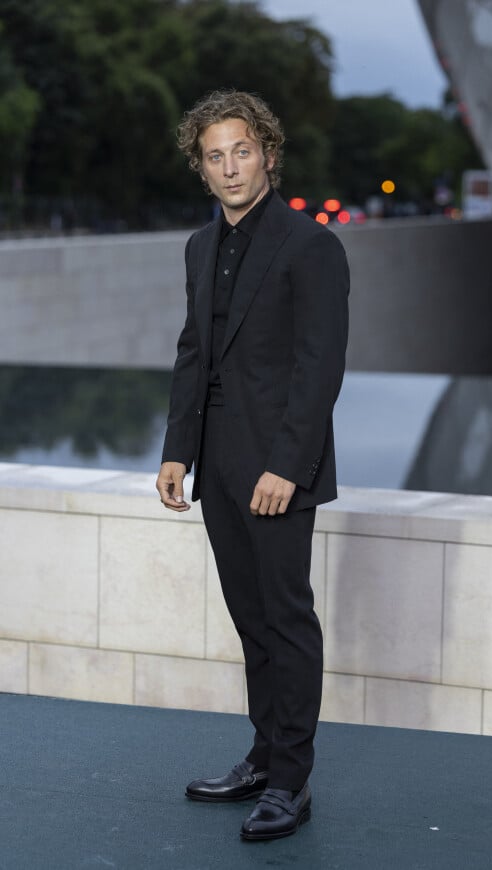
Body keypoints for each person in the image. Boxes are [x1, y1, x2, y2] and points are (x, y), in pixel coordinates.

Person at [156, 89, 349, 842]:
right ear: (201, 169)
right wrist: (177, 448)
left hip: (277, 468)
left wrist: (287, 467)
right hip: (218, 465)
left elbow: (319, 364)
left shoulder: (311, 245)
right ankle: (264, 757)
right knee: (250, 621)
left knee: (287, 620)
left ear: (268, 152)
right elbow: (192, 353)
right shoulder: (200, 247)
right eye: (214, 156)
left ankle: (292, 783)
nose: (230, 167)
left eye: (242, 150)